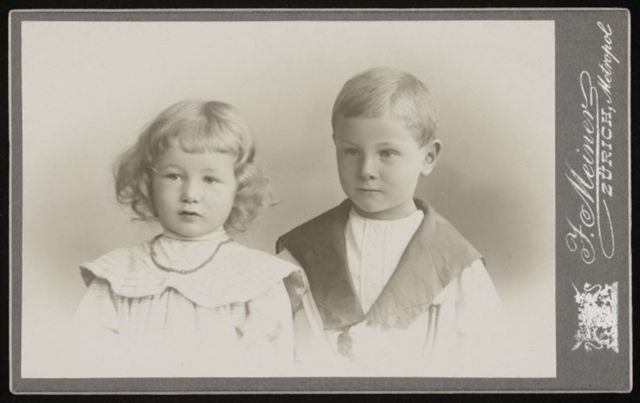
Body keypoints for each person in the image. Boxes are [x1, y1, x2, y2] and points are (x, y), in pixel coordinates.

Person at [277, 67, 504, 376]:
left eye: (387, 153)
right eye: (351, 152)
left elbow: (488, 358)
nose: (366, 170)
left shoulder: (455, 263)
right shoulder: (300, 254)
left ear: (428, 157)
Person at [73, 99, 305, 377]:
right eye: (174, 176)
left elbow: (269, 371)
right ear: (148, 182)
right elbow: (87, 363)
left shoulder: (257, 278)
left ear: (239, 188)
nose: (190, 194)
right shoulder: (119, 274)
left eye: (210, 179)